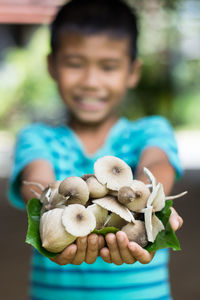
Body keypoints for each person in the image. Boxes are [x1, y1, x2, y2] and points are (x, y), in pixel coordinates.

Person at [8, 0, 183, 299]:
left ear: (132, 71)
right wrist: (47, 206)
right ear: (52, 65)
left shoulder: (151, 130)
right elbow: (36, 182)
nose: (90, 82)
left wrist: (149, 200)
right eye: (75, 64)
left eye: (108, 67)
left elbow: (158, 164)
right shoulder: (36, 137)